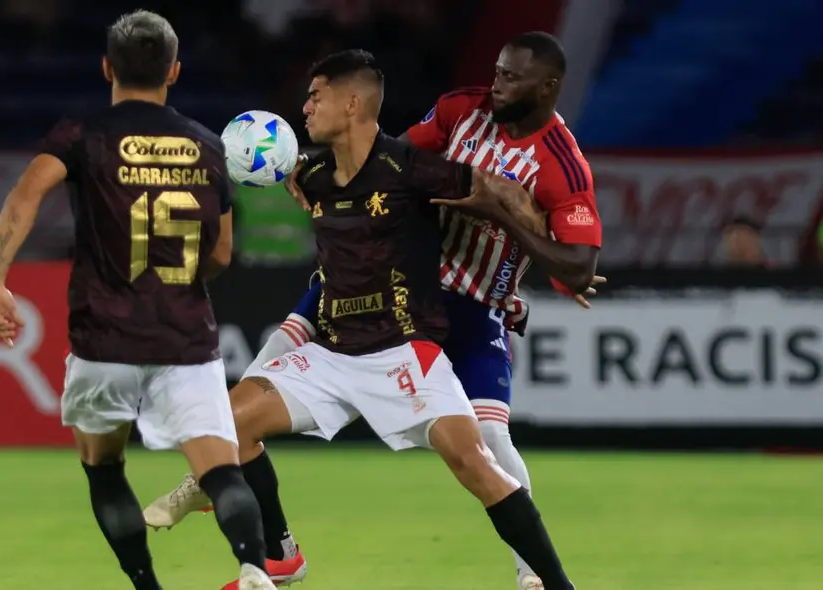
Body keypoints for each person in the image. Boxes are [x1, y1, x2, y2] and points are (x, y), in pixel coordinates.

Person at [148, 32, 602, 590]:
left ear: (549, 87)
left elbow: (576, 265)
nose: (496, 84)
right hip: (381, 279)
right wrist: (316, 169)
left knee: (487, 449)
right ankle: (245, 506)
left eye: (511, 77)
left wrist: (518, 228)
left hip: (459, 308)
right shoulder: (464, 110)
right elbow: (384, 161)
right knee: (261, 373)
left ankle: (540, 579)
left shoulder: (560, 162)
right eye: (498, 71)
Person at [0, 10, 275, 590]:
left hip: (102, 339)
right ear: (175, 71)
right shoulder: (208, 145)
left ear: (107, 67)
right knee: (220, 470)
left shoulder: (81, 135)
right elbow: (220, 254)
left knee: (104, 469)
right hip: (186, 339)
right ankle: (254, 568)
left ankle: (146, 585)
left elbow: (25, 194)